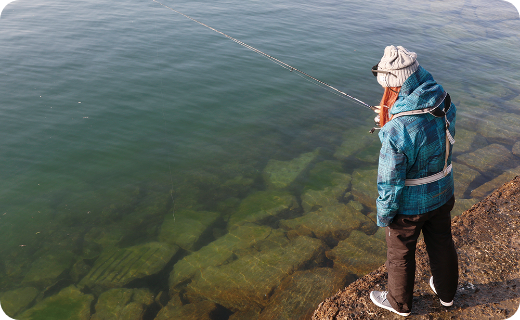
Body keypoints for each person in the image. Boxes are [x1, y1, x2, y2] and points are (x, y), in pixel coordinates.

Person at [368, 45, 458, 316]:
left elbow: (389, 182)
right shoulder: (443, 99)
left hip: (409, 208)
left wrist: (384, 216)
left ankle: (400, 304)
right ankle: (447, 294)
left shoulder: (396, 129)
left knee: (400, 255)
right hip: (443, 193)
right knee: (442, 242)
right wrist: (395, 114)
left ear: (393, 85)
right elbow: (426, 131)